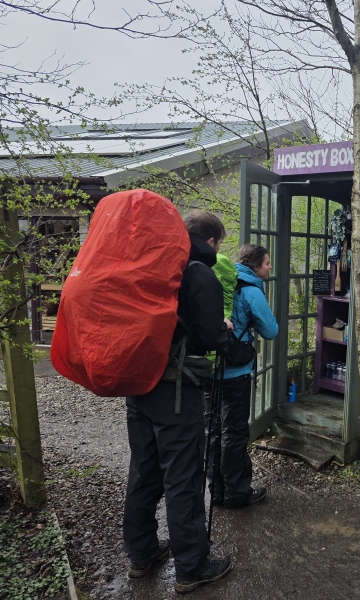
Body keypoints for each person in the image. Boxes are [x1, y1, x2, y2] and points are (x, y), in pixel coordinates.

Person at [123, 210, 235, 594]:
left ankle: (141, 554)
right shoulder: (198, 272)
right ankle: (192, 567)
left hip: (138, 382)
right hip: (175, 390)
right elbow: (209, 336)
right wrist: (223, 330)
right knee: (183, 476)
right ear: (212, 240)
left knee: (143, 471)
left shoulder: (152, 264)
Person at [208, 244, 278, 509]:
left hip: (209, 368)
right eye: (267, 262)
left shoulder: (217, 283)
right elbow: (270, 330)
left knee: (212, 429)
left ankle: (216, 491)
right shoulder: (251, 291)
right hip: (235, 373)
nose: (269, 267)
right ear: (255, 266)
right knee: (234, 432)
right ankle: (237, 492)